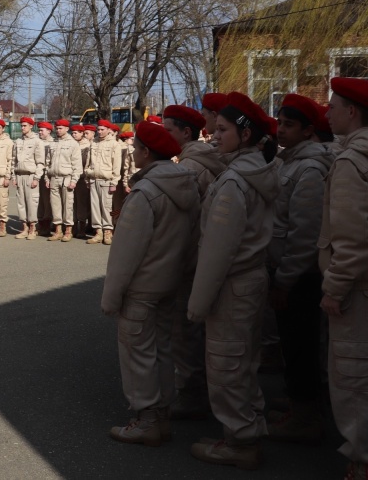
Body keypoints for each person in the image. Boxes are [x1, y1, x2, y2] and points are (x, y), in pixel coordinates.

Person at [188, 92, 279, 470]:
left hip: (233, 283)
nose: (214, 134)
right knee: (244, 361)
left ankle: (240, 441)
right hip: (250, 279)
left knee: (226, 364)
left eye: (223, 129)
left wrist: (197, 303)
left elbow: (217, 251)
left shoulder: (234, 182)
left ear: (245, 135)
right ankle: (248, 427)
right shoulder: (257, 169)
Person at [103, 121, 200, 447]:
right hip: (169, 283)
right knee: (162, 350)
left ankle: (146, 420)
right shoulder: (185, 184)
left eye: (135, 148)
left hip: (142, 287)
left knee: (138, 354)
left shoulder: (145, 193)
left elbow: (126, 253)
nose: (132, 153)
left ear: (146, 152)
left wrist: (111, 296)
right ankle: (161, 416)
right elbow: (193, 239)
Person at [262, 94, 334, 444]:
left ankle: (305, 416)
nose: (280, 130)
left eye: (289, 125)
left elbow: (304, 234)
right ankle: (298, 402)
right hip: (286, 271)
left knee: (301, 345)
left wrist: (285, 280)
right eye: (279, 123)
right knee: (292, 344)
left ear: (308, 130)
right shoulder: (288, 161)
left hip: (300, 278)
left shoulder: (310, 169)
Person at [161, 104, 225, 421]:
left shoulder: (190, 167)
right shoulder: (202, 159)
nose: (163, 136)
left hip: (190, 259)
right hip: (202, 256)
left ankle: (191, 392)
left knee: (184, 329)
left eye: (168, 130)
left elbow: (184, 222)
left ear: (186, 133)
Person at [320, 77, 368, 480]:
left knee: (353, 378)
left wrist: (334, 288)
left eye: (333, 107)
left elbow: (351, 239)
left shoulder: (352, 161)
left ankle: (361, 460)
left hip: (356, 290)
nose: (327, 114)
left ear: (352, 112)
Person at [85, 119, 122, 245]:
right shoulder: (94, 142)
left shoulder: (114, 144)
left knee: (107, 207)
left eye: (102, 130)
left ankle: (108, 231)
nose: (99, 132)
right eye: (98, 130)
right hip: (93, 179)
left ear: (108, 130)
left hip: (106, 180)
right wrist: (87, 177)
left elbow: (116, 165)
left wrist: (114, 182)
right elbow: (88, 161)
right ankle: (98, 232)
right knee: (95, 207)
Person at [46, 119, 82, 242]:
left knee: (68, 206)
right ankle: (58, 230)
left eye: (60, 128)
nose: (58, 130)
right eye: (57, 128)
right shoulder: (53, 143)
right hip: (54, 178)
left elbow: (77, 164)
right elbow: (48, 162)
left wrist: (74, 180)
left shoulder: (73, 144)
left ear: (67, 129)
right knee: (55, 205)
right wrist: (47, 177)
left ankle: (68, 231)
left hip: (67, 178)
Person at [13, 117, 45, 239]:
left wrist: (36, 178)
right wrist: (13, 176)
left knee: (32, 203)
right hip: (19, 175)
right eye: (21, 126)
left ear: (31, 126)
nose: (22, 128)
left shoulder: (37, 142)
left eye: (25, 126)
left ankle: (32, 228)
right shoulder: (18, 141)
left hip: (31, 176)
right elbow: (13, 160)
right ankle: (24, 228)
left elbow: (40, 162)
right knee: (21, 203)